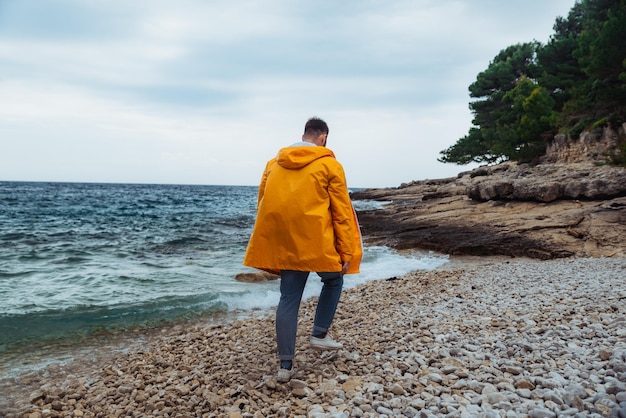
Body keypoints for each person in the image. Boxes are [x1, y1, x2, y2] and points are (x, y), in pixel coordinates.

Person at [243, 117, 362, 383]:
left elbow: (263, 203)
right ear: (324, 138)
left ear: (304, 134)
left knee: (288, 299)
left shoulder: (273, 164)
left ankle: (285, 366)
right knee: (333, 279)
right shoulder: (329, 164)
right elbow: (341, 212)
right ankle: (319, 334)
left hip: (287, 242)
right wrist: (346, 251)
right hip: (317, 242)